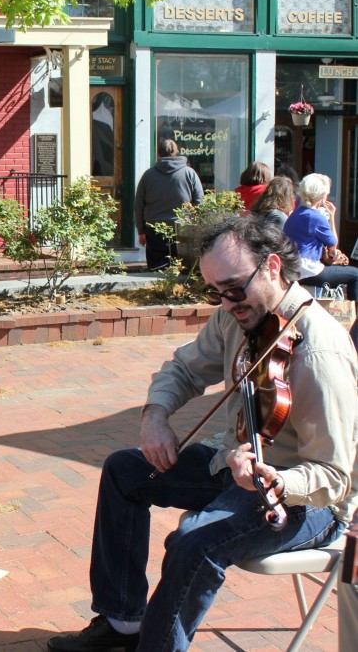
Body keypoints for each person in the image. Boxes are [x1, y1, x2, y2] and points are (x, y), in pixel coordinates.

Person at [47, 215, 358, 652]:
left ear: (271, 267)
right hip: (237, 467)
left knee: (194, 540)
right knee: (124, 471)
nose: (227, 302)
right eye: (216, 292)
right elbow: (184, 368)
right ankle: (121, 623)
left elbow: (335, 477)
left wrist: (278, 480)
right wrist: (154, 416)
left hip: (302, 500)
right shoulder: (240, 316)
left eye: (233, 287)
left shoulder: (319, 352)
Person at [283, 172, 358, 348]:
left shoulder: (296, 213)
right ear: (322, 195)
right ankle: (355, 326)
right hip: (309, 270)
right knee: (355, 275)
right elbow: (333, 245)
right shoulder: (316, 217)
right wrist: (331, 216)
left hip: (294, 269)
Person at [134, 139, 204, 271]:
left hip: (154, 229)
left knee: (156, 270)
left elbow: (138, 206)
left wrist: (141, 231)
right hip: (183, 228)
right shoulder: (189, 173)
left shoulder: (148, 175)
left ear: (158, 153)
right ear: (177, 152)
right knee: (181, 270)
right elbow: (200, 202)